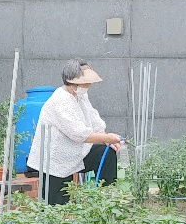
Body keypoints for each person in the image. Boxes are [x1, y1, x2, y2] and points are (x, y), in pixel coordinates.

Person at [26, 59, 123, 206]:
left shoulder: (81, 96)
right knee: (56, 205)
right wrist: (106, 138)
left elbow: (93, 117)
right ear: (72, 81)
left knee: (106, 153)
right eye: (85, 82)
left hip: (76, 152)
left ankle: (107, 201)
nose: (88, 85)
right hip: (55, 159)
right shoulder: (60, 101)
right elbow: (78, 133)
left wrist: (104, 137)